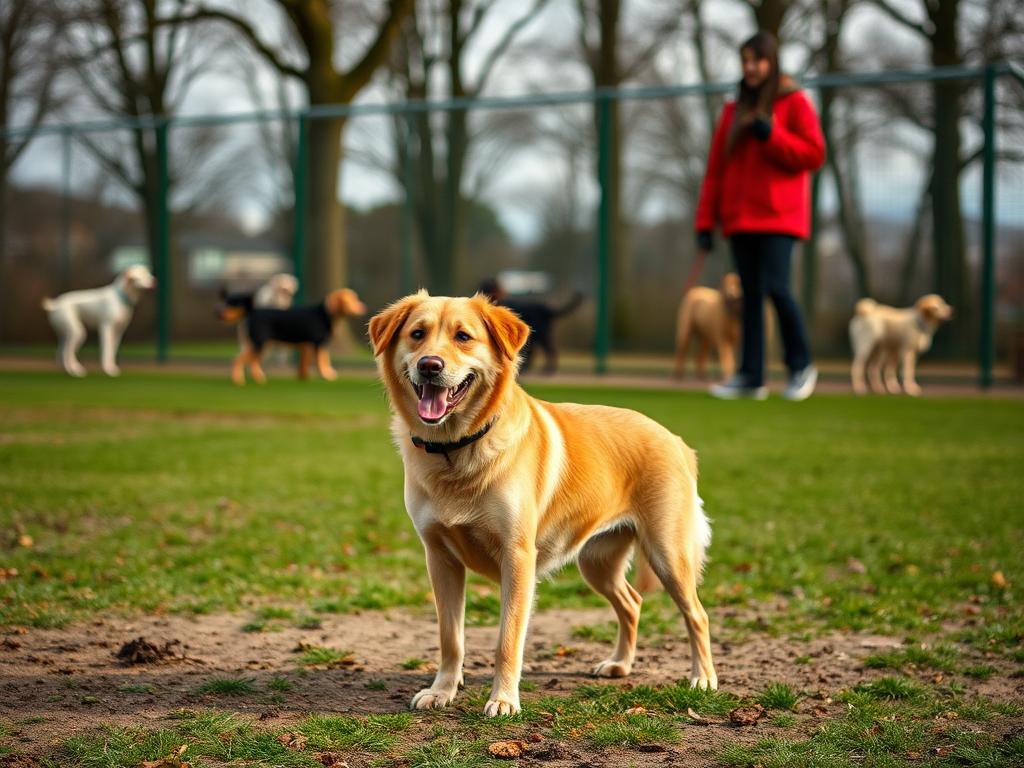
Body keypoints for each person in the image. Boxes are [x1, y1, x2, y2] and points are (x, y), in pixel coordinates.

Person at [694, 31, 825, 401]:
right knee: (750, 297)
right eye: (746, 60)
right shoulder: (732, 111)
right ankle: (751, 376)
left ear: (772, 63)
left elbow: (814, 155)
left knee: (777, 289)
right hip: (740, 220)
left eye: (758, 60)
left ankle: (801, 365)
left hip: (779, 218)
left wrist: (775, 136)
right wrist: (705, 221)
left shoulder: (794, 102)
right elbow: (716, 170)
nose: (751, 67)